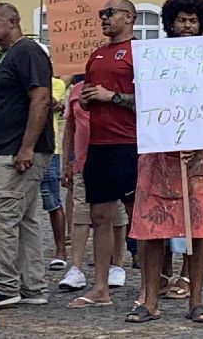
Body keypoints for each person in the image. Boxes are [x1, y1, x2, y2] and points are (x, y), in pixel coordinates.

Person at [126, 0, 203, 323]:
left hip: (197, 156)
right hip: (158, 156)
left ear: (201, 24)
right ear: (170, 23)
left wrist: (202, 144)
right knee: (150, 230)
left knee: (198, 230)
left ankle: (195, 300)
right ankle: (149, 300)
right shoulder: (152, 59)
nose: (187, 26)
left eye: (193, 20)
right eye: (181, 20)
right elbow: (144, 105)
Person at [0, 2, 54, 309]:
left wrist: (26, 146)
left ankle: (4, 284)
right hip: (10, 149)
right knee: (24, 219)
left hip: (18, 151)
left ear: (14, 21)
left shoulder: (27, 52)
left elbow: (41, 97)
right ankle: (32, 285)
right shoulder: (11, 56)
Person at [68, 0, 139, 309]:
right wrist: (85, 100)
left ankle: (152, 284)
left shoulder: (140, 53)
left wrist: (113, 97)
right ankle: (100, 287)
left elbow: (151, 99)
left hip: (130, 142)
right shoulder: (97, 54)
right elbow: (90, 94)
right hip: (99, 143)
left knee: (139, 216)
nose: (104, 18)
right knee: (99, 216)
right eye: (101, 13)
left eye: (109, 12)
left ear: (130, 16)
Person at [59, 79, 129, 291]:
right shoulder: (77, 91)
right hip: (83, 161)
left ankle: (116, 265)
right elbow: (70, 127)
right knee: (80, 213)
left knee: (115, 215)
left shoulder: (119, 89)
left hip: (113, 158)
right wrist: (66, 163)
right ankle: (76, 267)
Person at [42, 76, 69, 272]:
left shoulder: (55, 83)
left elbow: (50, 102)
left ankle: (61, 250)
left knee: (52, 201)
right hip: (18, 147)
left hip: (48, 150)